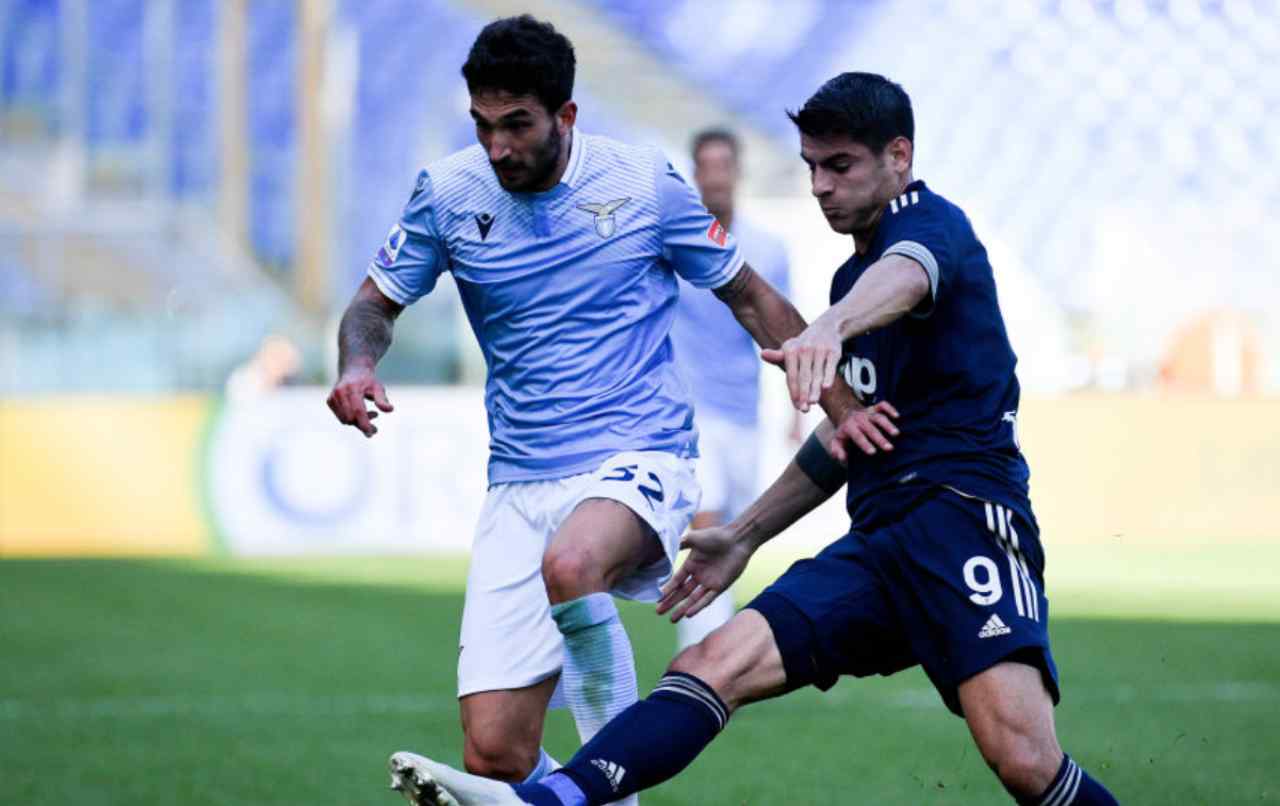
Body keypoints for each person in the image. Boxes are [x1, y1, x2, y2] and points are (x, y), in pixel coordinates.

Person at [387, 72, 1121, 806]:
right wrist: (744, 536)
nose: (819, 187)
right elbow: (847, 438)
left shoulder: (929, 228)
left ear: (898, 156)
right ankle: (552, 801)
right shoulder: (850, 276)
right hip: (880, 545)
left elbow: (907, 275)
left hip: (964, 526)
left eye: (839, 166)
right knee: (711, 662)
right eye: (809, 165)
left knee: (1025, 762)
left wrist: (829, 327)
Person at [325, 16, 868, 805]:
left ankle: (613, 795)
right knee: (496, 754)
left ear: (566, 116)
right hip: (519, 483)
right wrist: (356, 362)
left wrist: (845, 409)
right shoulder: (446, 195)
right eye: (483, 126)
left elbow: (749, 296)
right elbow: (373, 303)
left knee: (574, 565)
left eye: (518, 125)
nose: (498, 147)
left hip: (641, 452)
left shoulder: (642, 184)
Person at [669, 127, 799, 651]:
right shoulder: (673, 245)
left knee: (733, 526)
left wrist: (798, 407)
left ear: (737, 173)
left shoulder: (768, 249)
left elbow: (785, 329)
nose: (717, 176)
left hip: (742, 410)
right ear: (695, 174)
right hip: (687, 412)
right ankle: (703, 653)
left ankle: (710, 641)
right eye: (708, 166)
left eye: (726, 165)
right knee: (708, 516)